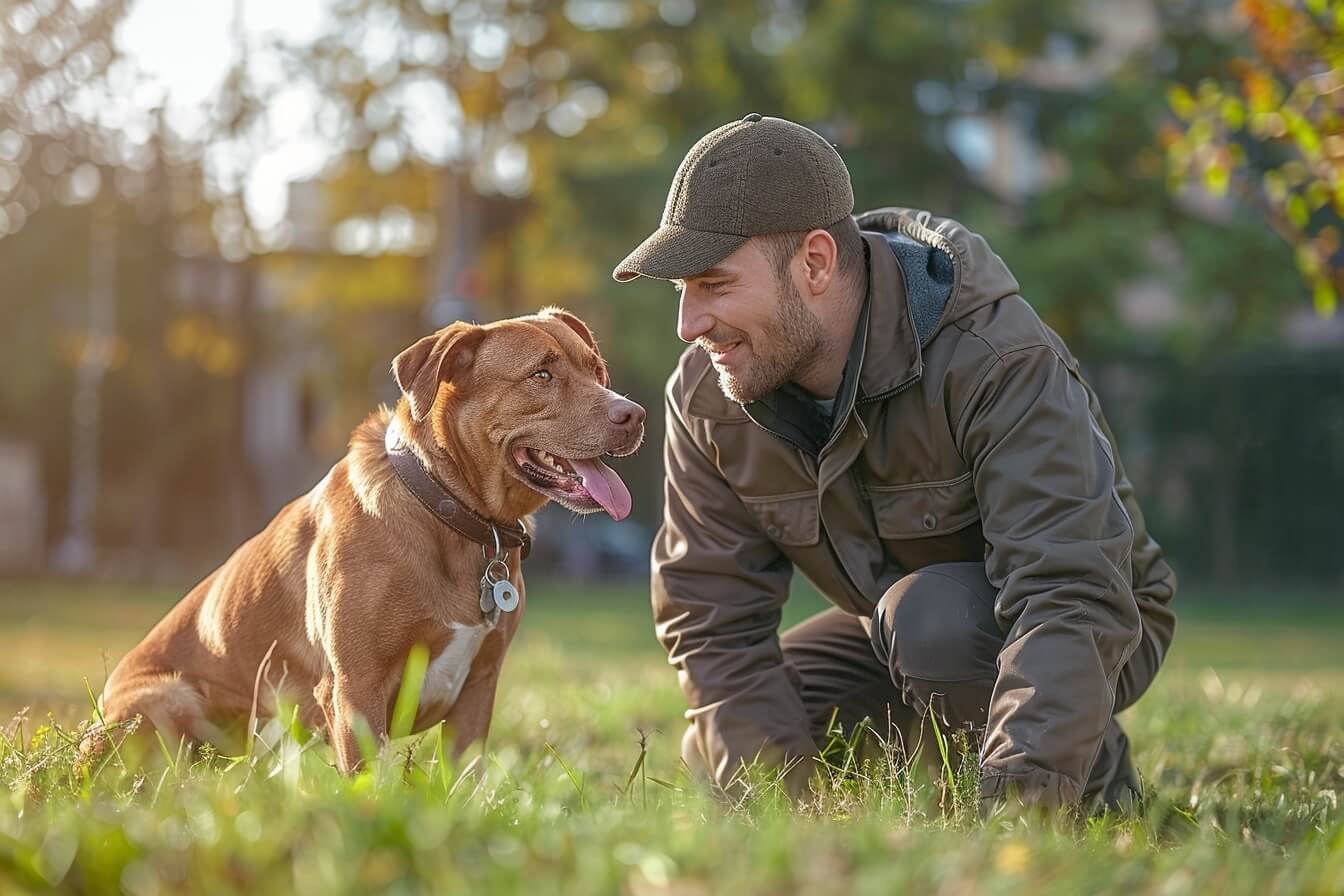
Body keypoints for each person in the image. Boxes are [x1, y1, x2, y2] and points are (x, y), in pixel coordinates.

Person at [611, 114, 1177, 815]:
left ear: (815, 264)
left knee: (932, 622)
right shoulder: (709, 396)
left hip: (1089, 614)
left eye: (715, 285)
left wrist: (1023, 814)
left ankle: (1094, 790)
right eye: (681, 292)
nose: (689, 325)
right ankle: (939, 763)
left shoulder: (995, 358)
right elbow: (713, 621)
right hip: (889, 622)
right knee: (736, 740)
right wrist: (774, 822)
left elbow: (1071, 590)